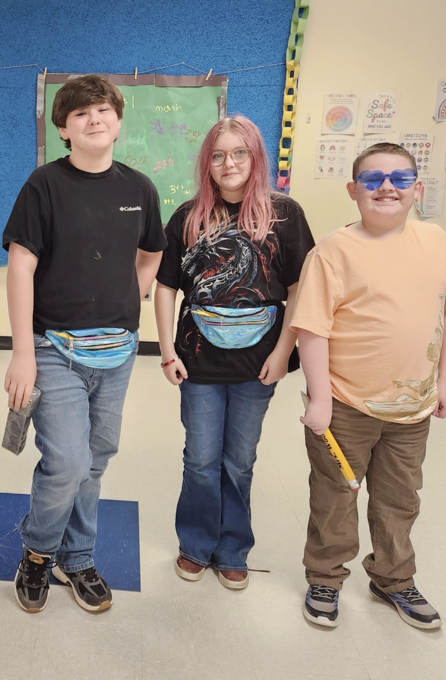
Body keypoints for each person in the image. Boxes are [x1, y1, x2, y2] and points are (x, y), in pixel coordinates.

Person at [3, 74, 165, 614]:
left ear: (118, 120)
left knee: (96, 460)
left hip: (117, 351)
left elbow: (151, 254)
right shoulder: (44, 185)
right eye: (80, 114)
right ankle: (37, 551)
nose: (94, 119)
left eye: (103, 110)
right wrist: (22, 351)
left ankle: (79, 557)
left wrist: (129, 295)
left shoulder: (139, 188)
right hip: (54, 348)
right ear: (64, 128)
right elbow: (20, 267)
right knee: (67, 462)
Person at [293, 142, 446, 630]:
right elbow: (312, 329)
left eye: (399, 178)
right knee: (335, 498)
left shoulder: (438, 244)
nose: (386, 187)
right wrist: (321, 399)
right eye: (372, 179)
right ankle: (325, 576)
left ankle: (393, 578)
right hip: (345, 405)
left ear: (418, 188)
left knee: (400, 499)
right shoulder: (333, 251)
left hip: (411, 410)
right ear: (354, 190)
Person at [154, 115, 315, 590]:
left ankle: (232, 548)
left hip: (258, 360)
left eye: (239, 153)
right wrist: (167, 351)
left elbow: (300, 286)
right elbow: (165, 288)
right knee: (201, 458)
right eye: (219, 154)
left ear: (255, 157)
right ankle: (196, 544)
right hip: (198, 358)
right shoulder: (188, 217)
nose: (229, 163)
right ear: (207, 162)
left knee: (239, 460)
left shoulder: (284, 215)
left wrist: (285, 351)